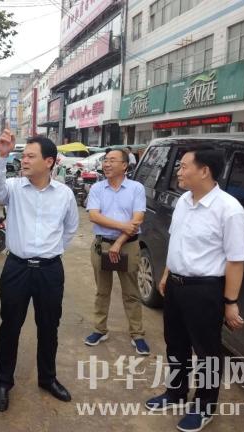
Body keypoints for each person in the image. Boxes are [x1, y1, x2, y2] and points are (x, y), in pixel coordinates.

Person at [145, 149, 244, 432]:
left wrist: (230, 302)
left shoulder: (229, 209)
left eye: (184, 166)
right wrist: (167, 274)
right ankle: (176, 392)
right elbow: (177, 242)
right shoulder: (183, 201)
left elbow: (236, 260)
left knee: (206, 351)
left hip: (204, 290)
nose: (178, 171)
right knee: (175, 344)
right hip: (175, 286)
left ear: (204, 171)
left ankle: (205, 406)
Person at [0, 130, 79, 412]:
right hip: (17, 268)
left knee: (49, 326)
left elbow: (70, 229)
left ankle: (47, 378)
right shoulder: (13, 188)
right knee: (10, 325)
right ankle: (3, 382)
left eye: (30, 156)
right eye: (23, 156)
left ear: (49, 162)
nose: (24, 160)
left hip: (50, 270)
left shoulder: (64, 194)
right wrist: (2, 157)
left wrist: (50, 251)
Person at [84, 148, 150, 355]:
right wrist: (122, 226)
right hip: (102, 244)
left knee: (131, 292)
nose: (107, 164)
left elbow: (137, 219)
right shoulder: (97, 188)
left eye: (112, 160)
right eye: (105, 160)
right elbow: (94, 216)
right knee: (102, 291)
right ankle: (99, 330)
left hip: (128, 245)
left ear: (124, 165)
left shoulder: (136, 188)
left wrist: (119, 242)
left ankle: (137, 335)